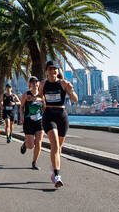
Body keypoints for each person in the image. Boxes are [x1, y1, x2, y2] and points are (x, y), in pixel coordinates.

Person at [40, 60, 78, 188]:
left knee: (59, 147)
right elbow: (40, 96)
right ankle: (57, 176)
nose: (53, 71)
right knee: (55, 144)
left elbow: (74, 99)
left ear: (58, 71)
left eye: (55, 69)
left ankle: (54, 166)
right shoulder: (43, 84)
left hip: (62, 115)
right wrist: (38, 101)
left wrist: (71, 91)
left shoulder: (63, 83)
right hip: (49, 115)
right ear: (46, 71)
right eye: (50, 69)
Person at [19, 76, 44, 170]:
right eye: (32, 82)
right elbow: (21, 107)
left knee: (38, 142)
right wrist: (21, 116)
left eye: (36, 81)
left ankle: (34, 162)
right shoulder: (26, 95)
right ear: (29, 84)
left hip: (39, 120)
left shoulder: (41, 95)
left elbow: (44, 107)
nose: (34, 83)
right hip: (28, 121)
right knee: (31, 145)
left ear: (38, 83)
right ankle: (25, 144)